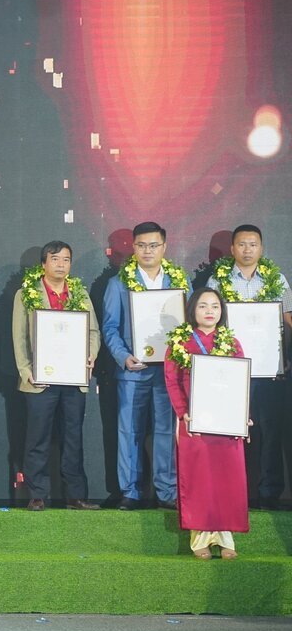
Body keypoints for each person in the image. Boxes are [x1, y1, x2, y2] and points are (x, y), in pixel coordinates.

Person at [101, 222, 187, 510]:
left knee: (166, 432)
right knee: (129, 432)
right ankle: (130, 491)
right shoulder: (118, 283)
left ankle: (167, 492)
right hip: (132, 370)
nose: (147, 251)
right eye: (141, 245)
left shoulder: (179, 281)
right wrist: (123, 356)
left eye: (153, 245)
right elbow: (110, 328)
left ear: (164, 246)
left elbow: (188, 325)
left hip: (168, 372)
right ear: (133, 247)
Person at [11, 241, 102, 511]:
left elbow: (93, 331)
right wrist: (26, 371)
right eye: (55, 259)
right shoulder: (26, 294)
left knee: (73, 437)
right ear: (44, 264)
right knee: (37, 437)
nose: (61, 265)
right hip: (40, 379)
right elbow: (19, 336)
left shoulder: (80, 293)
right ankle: (37, 494)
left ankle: (75, 495)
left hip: (73, 378)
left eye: (66, 260)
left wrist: (91, 355)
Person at [206, 224, 292, 510]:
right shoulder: (217, 281)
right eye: (241, 244)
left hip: (269, 371)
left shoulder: (277, 279)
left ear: (261, 248)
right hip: (231, 370)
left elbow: (288, 318)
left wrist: (284, 357)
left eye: (253, 244)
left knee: (269, 430)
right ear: (232, 249)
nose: (247, 250)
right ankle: (232, 491)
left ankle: (269, 492)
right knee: (230, 430)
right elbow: (209, 322)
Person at [163, 288, 250, 558]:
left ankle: (225, 537)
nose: (209, 311)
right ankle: (199, 537)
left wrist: (242, 414)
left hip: (226, 423)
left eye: (215, 306)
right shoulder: (180, 342)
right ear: (193, 310)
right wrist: (183, 413)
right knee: (199, 478)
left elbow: (241, 382)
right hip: (194, 422)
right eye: (203, 306)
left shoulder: (232, 343)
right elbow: (172, 381)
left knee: (227, 479)